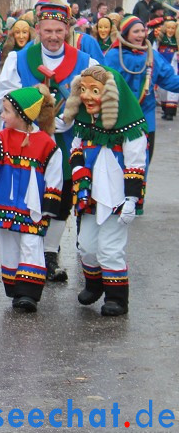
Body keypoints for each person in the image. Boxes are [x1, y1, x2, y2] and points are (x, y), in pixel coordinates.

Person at [0, 0, 95, 283]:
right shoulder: (20, 59)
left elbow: (98, 100)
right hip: (28, 139)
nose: (53, 36)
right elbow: (3, 98)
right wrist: (32, 116)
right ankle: (29, 252)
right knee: (30, 193)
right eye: (47, 30)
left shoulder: (85, 62)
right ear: (37, 29)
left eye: (59, 31)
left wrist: (73, 116)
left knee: (61, 194)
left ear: (68, 30)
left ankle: (50, 253)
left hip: (68, 139)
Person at [63, 65, 147, 317]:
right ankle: (94, 284)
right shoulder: (85, 121)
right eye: (84, 89)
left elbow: (135, 165)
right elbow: (76, 149)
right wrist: (78, 170)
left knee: (110, 248)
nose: (87, 96)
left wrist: (132, 200)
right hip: (90, 194)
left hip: (117, 197)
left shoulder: (131, 129)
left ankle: (117, 297)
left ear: (110, 94)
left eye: (95, 90)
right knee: (87, 245)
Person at [0, 86, 62, 313]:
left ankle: (28, 293)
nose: (2, 116)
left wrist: (50, 204)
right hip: (5, 200)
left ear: (23, 115)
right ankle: (16, 288)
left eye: (6, 112)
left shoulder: (47, 143)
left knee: (32, 243)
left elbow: (55, 175)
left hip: (32, 203)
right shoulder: (2, 138)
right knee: (8, 242)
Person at [103, 16, 179, 178]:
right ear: (125, 34)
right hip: (118, 120)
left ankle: (137, 201)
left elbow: (171, 81)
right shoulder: (113, 57)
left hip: (146, 121)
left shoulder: (153, 56)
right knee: (117, 165)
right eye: (135, 31)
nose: (140, 35)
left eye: (142, 31)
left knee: (141, 166)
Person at [155, 18, 179, 120]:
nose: (170, 30)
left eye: (173, 28)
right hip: (162, 65)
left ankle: (171, 111)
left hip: (173, 65)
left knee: (172, 90)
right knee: (162, 89)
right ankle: (165, 109)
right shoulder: (160, 39)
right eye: (168, 28)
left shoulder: (177, 41)